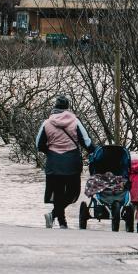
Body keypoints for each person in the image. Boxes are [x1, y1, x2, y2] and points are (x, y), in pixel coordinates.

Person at [35, 95, 93, 229]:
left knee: (58, 194)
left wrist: (50, 151)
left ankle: (59, 220)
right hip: (72, 162)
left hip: (54, 163)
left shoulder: (47, 123)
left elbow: (39, 144)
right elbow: (87, 141)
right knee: (73, 192)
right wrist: (94, 152)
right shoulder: (75, 122)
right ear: (68, 108)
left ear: (55, 107)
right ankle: (60, 221)